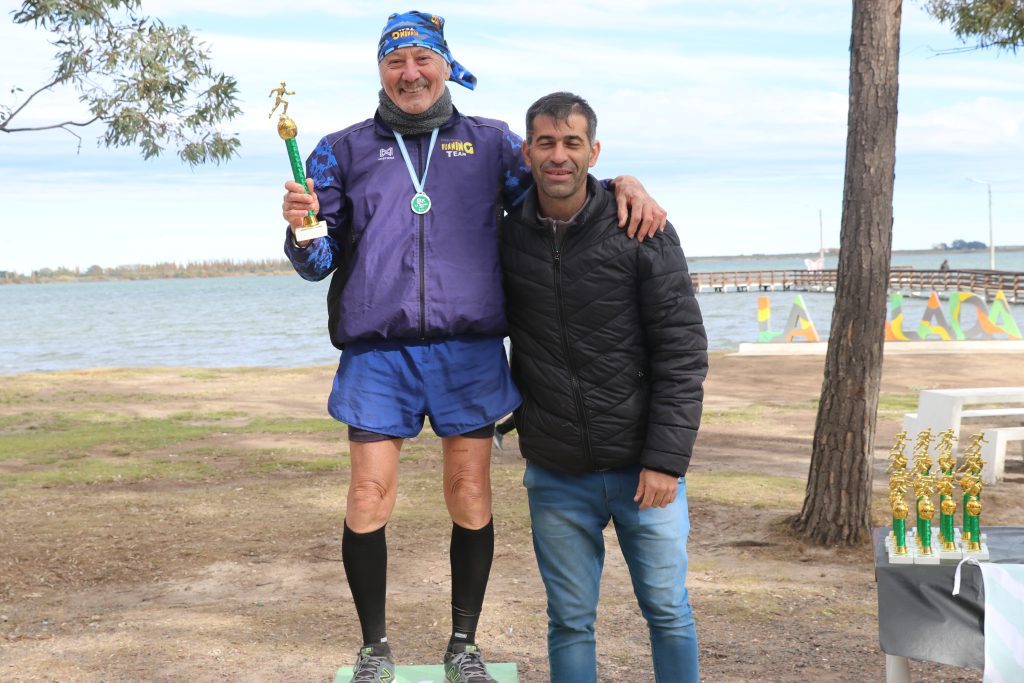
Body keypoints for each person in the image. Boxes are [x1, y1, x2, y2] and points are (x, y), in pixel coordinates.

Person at [279, 12, 666, 683]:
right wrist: (300, 229)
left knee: (469, 494)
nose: (410, 74)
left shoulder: (492, 144)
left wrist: (622, 184)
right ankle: (374, 650)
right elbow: (317, 264)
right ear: (381, 71)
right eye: (396, 63)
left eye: (422, 61)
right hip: (379, 353)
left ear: (444, 67)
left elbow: (560, 187)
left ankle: (463, 645)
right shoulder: (339, 150)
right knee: (367, 496)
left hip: (469, 348)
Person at [500, 92, 708, 682]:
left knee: (668, 611)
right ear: (527, 152)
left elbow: (682, 352)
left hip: (645, 469)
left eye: (572, 143)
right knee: (569, 621)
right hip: (556, 473)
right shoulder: (506, 237)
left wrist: (665, 461)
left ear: (594, 152)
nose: (558, 156)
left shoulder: (643, 230)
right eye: (545, 143)